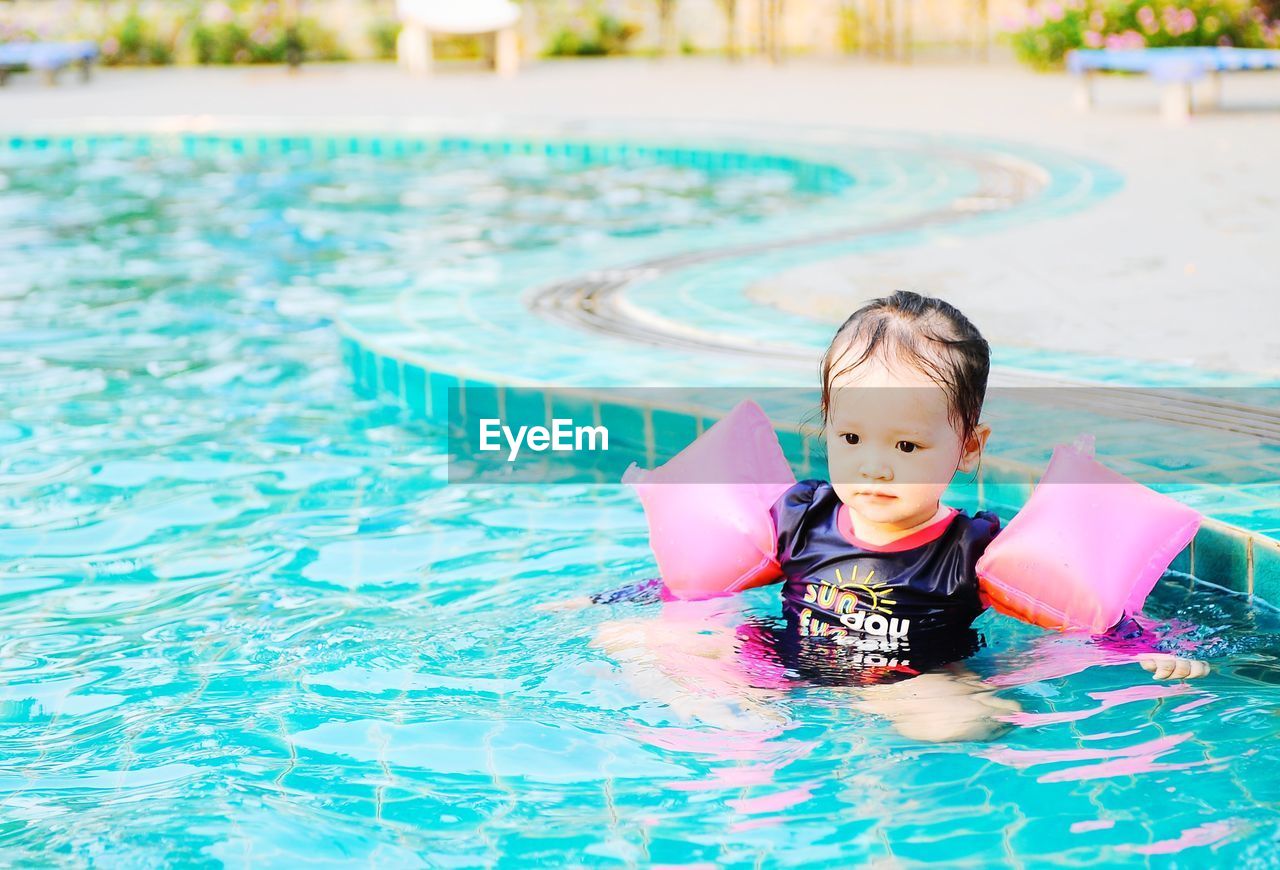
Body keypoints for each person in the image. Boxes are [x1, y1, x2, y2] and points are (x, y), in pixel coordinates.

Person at [577, 291, 1209, 741]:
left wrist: (1149, 649)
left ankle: (843, 723)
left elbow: (1081, 616)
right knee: (640, 641)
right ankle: (751, 716)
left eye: (906, 447)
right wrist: (613, 600)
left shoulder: (974, 549)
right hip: (786, 664)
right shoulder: (800, 517)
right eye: (851, 440)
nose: (874, 468)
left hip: (911, 681)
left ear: (968, 447)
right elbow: (703, 585)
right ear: (828, 425)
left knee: (960, 721)